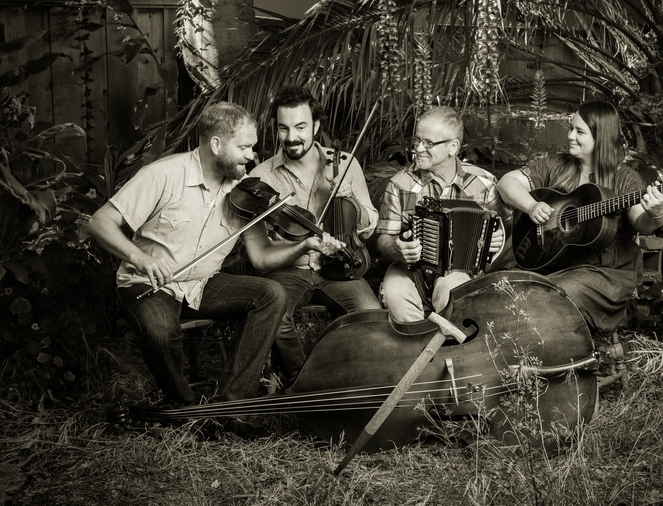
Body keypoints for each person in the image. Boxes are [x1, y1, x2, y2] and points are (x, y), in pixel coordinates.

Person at [87, 101, 344, 407]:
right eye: (245, 147)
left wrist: (303, 245)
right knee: (160, 330)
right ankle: (187, 407)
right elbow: (99, 222)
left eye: (253, 147)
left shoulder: (246, 194)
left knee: (272, 294)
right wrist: (142, 259)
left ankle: (234, 404)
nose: (252, 156)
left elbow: (261, 258)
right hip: (149, 283)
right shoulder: (163, 174)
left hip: (203, 284)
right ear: (217, 144)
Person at [247, 85, 382, 381]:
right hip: (289, 270)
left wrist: (352, 200)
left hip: (340, 266)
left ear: (316, 126)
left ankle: (350, 378)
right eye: (283, 128)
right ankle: (303, 380)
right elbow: (261, 248)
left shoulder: (344, 164)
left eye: (300, 127)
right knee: (276, 315)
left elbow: (369, 227)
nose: (291, 137)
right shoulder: (261, 178)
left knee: (371, 315)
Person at [496, 100, 663, 333]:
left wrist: (656, 215)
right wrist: (531, 205)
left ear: (601, 137)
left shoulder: (625, 178)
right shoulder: (557, 164)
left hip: (604, 271)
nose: (570, 136)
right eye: (570, 128)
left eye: (579, 131)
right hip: (551, 259)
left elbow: (640, 221)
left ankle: (557, 351)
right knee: (503, 287)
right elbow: (507, 182)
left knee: (552, 293)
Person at [376, 105, 507, 322]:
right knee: (394, 292)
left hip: (461, 271)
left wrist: (496, 240)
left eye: (428, 143)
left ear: (453, 146)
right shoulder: (401, 185)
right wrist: (396, 250)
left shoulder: (483, 183)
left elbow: (502, 228)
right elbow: (383, 239)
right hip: (410, 269)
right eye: (416, 141)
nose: (417, 149)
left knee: (451, 288)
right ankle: (414, 347)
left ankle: (450, 348)